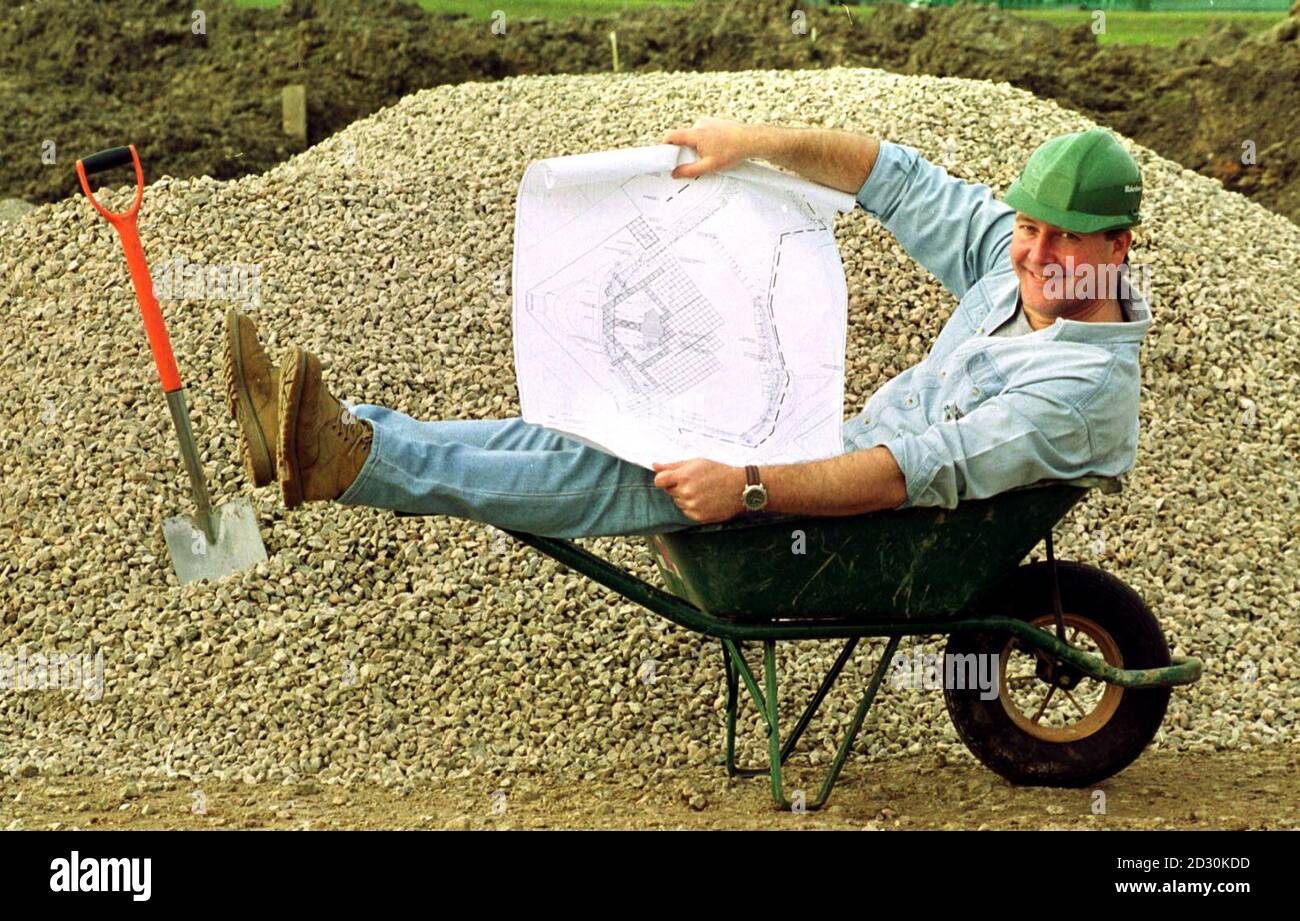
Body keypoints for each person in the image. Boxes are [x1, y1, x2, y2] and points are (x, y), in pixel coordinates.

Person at [223, 121, 1149, 539]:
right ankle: (345, 439)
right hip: (830, 444)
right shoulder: (1015, 264)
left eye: (1068, 236)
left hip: (864, 517)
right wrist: (754, 142)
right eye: (1030, 227)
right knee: (586, 428)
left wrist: (750, 485)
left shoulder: (1077, 393)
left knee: (609, 469)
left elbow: (918, 472)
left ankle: (351, 461)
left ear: (1120, 246)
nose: (1038, 252)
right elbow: (895, 178)